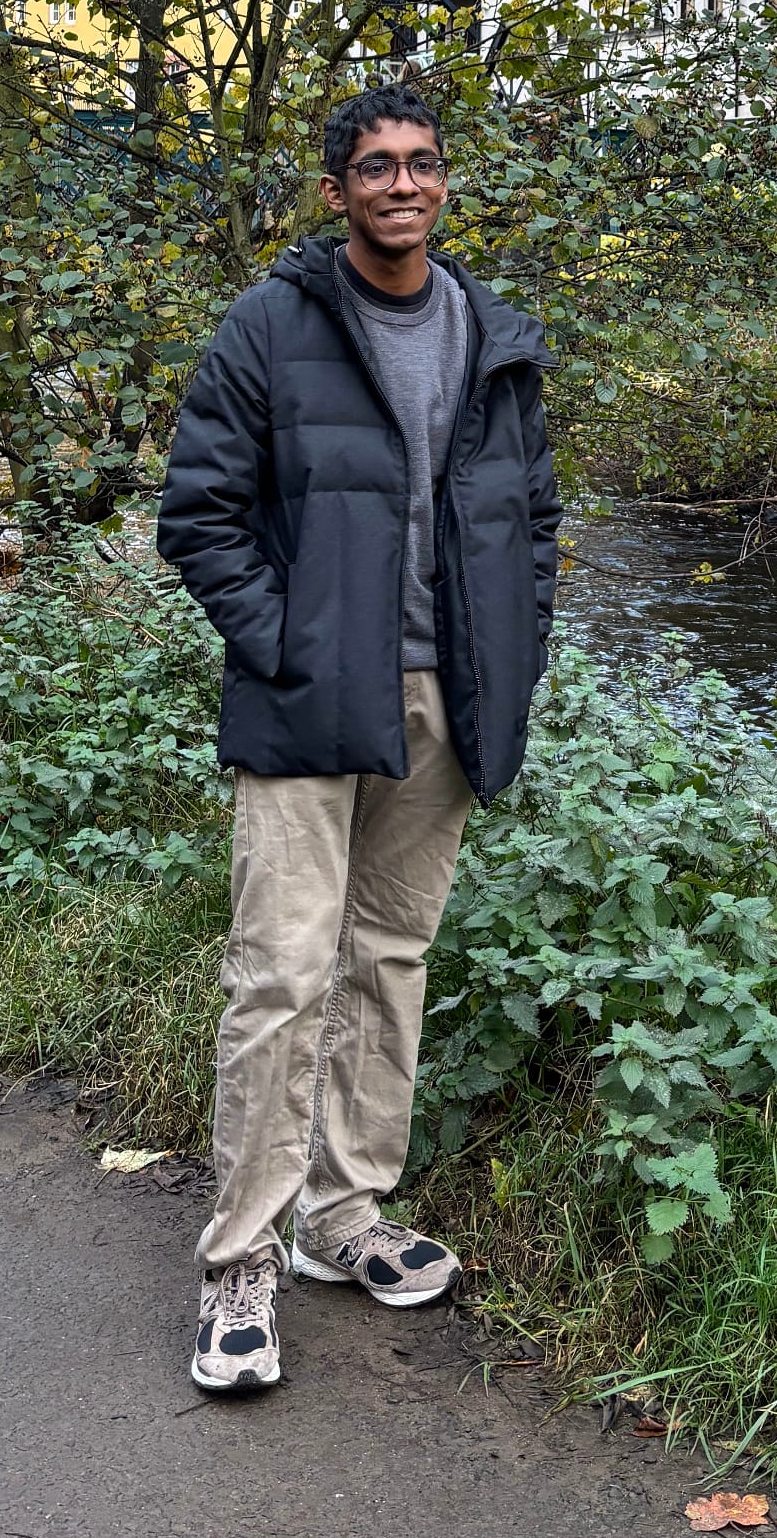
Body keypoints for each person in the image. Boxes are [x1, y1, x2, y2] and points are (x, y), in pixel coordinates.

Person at [157, 83, 560, 1395]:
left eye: (420, 163)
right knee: (278, 977)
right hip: (302, 700)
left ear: (444, 184)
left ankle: (342, 1217)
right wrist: (291, 643)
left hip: (445, 702)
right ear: (335, 192)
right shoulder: (272, 328)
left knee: (387, 962)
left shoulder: (490, 337)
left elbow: (530, 528)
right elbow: (200, 519)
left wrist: (512, 656)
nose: (401, 183)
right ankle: (241, 1262)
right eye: (374, 166)